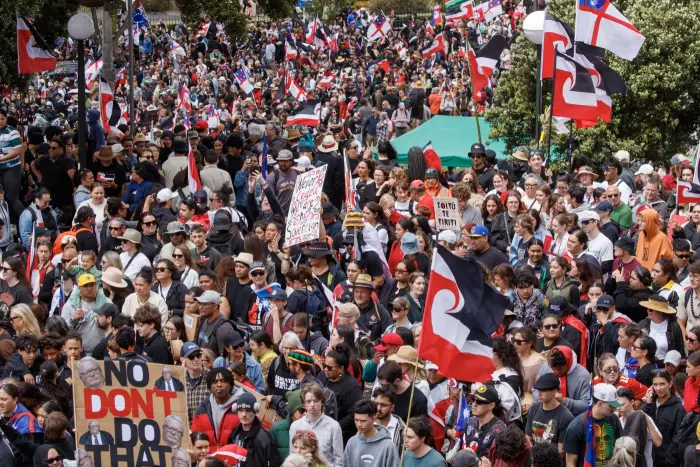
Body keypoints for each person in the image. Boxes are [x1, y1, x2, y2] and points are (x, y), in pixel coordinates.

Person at [563, 383, 623, 467]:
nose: (614, 408)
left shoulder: (614, 419)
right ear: (599, 404)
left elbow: (620, 449)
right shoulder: (577, 425)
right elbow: (570, 462)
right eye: (611, 405)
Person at [190, 368, 244, 452]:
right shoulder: (201, 410)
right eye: (214, 382)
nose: (219, 385)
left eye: (223, 381)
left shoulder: (242, 408)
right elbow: (195, 438)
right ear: (210, 387)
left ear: (230, 384)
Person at [289, 383, 343, 466]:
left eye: (316, 401)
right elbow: (292, 455)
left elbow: (339, 460)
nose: (312, 405)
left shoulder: (334, 426)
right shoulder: (295, 426)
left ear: (322, 402)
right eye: (309, 401)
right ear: (303, 404)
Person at [641, 369, 685, 467]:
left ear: (670, 384)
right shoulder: (650, 404)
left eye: (662, 384)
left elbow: (678, 437)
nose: (658, 388)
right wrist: (647, 404)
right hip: (648, 458)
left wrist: (670, 459)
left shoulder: (678, 408)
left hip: (667, 461)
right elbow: (640, 422)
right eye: (655, 385)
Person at [322, 345, 363, 444]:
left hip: (342, 437)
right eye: (324, 365)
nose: (325, 369)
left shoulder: (351, 388)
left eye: (329, 367)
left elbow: (353, 414)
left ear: (341, 368)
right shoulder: (323, 377)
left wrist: (334, 427)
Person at [533, 346, 591, 416]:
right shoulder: (546, 368)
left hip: (573, 416)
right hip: (546, 411)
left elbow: (586, 405)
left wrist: (564, 401)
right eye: (554, 368)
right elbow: (535, 390)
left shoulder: (583, 375)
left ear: (568, 362)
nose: (557, 371)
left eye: (561, 368)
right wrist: (544, 399)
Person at [228, 392, 281, 467]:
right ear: (236, 411)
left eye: (248, 410)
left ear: (255, 410)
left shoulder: (264, 438)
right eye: (241, 410)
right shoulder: (234, 435)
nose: (244, 414)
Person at [342, 399, 399, 467]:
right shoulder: (351, 442)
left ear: (374, 418)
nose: (359, 424)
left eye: (363, 421)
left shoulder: (388, 445)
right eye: (356, 420)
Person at [373, 384, 406, 454]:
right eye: (376, 404)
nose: (378, 408)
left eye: (383, 405)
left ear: (392, 407)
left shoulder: (402, 429)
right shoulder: (368, 423)